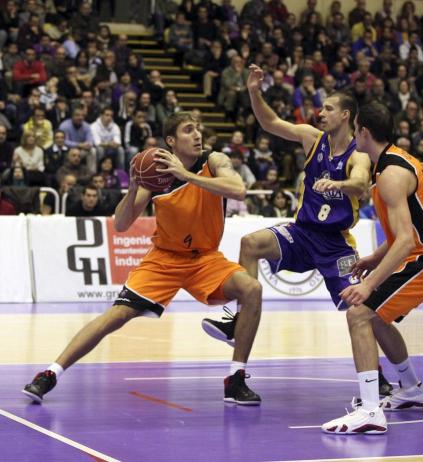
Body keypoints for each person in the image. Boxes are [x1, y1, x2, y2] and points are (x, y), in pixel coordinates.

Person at [23, 112, 263, 406]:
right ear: (171, 141)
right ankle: (49, 373)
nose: (197, 135)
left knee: (252, 289)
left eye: (198, 129)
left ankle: (235, 380)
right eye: (189, 130)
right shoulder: (157, 173)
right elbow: (122, 223)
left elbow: (238, 189)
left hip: (205, 259)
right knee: (116, 316)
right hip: (164, 260)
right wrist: (134, 188)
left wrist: (186, 175)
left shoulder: (213, 161)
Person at [201, 64, 394, 395]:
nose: (321, 113)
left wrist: (338, 183)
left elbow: (361, 183)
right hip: (303, 233)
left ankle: (385, 377)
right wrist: (253, 92)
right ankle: (236, 363)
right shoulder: (312, 138)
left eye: (329, 109)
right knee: (250, 243)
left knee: (363, 310)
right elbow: (270, 123)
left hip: (335, 244)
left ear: (346, 115)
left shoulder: (357, 154)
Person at [322, 101, 423, 434]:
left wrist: (368, 285)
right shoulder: (392, 164)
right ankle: (411, 389)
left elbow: (406, 242)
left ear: (364, 132)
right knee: (375, 318)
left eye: (355, 129)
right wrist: (373, 259)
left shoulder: (391, 174)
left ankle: (370, 410)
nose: (353, 136)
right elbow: (406, 231)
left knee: (359, 312)